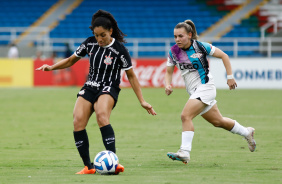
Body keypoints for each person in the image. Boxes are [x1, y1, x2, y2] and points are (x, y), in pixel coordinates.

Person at [36, 9, 157, 174]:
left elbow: (131, 76)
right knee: (78, 121)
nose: (99, 39)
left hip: (109, 87)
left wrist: (142, 100)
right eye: (96, 35)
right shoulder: (89, 43)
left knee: (102, 116)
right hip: (90, 85)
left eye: (103, 35)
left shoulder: (120, 50)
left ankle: (113, 163)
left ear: (110, 31)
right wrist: (51, 67)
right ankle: (88, 166)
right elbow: (71, 60)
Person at [165, 20, 256, 164]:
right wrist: (168, 84)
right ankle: (247, 132)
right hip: (194, 92)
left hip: (206, 87)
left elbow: (224, 56)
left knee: (185, 115)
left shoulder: (201, 46)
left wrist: (230, 76)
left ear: (189, 35)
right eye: (175, 36)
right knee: (218, 121)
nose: (177, 39)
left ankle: (185, 151)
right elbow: (169, 70)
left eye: (180, 36)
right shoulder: (173, 51)